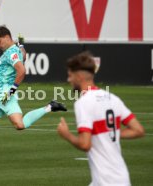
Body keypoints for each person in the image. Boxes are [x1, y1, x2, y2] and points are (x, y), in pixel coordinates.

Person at [0, 26, 67, 161]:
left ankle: (49, 107)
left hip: (5, 95)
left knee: (19, 125)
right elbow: (23, 56)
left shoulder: (11, 53)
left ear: (6, 37)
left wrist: (10, 92)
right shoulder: (14, 51)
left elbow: (21, 71)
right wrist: (21, 45)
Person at [57, 52, 145, 186]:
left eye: (70, 76)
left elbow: (85, 144)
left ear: (79, 76)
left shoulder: (83, 103)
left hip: (107, 181)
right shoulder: (113, 98)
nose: (69, 80)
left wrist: (67, 135)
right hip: (121, 177)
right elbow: (138, 130)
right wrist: (111, 133)